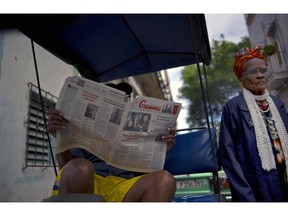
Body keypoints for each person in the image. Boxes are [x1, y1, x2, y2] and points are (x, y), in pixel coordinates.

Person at [48, 82, 177, 202]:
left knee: (164, 180)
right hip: (91, 182)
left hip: (123, 188)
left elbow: (141, 176)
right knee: (80, 168)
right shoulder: (83, 127)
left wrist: (159, 150)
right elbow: (68, 170)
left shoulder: (135, 131)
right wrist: (60, 136)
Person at [218, 45, 288, 202]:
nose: (260, 76)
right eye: (253, 72)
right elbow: (227, 156)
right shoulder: (234, 107)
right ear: (241, 77)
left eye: (263, 70)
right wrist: (245, 195)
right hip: (255, 186)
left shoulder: (277, 104)